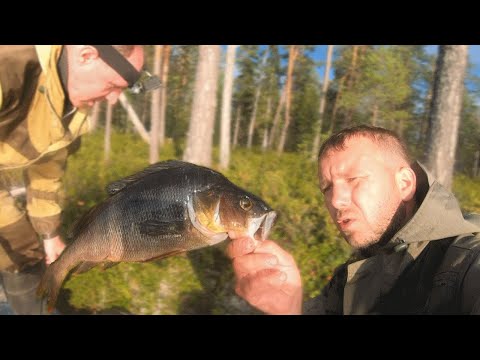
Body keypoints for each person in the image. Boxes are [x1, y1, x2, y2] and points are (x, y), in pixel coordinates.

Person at [227, 125, 480, 315]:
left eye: (353, 179)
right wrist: (286, 304)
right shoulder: (348, 280)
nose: (336, 200)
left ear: (404, 183)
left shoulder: (465, 263)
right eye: (326, 188)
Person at [0, 45, 157, 314]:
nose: (113, 100)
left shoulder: (72, 110)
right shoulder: (11, 63)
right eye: (112, 85)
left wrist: (49, 234)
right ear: (86, 55)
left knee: (25, 251)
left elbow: (46, 175)